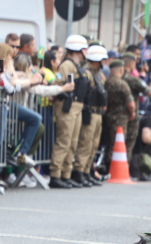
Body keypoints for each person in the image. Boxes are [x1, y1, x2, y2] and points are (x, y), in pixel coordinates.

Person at [49, 34, 88, 190]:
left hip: (76, 106)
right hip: (67, 106)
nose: (86, 51)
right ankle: (55, 175)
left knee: (72, 142)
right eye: (84, 48)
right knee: (64, 141)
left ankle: (66, 174)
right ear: (77, 49)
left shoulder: (76, 65)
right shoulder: (66, 65)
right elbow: (57, 83)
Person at [72, 44, 107, 187]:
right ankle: (79, 171)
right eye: (102, 60)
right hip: (90, 112)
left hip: (97, 113)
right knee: (85, 144)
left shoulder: (97, 74)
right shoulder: (87, 74)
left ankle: (87, 171)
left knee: (93, 145)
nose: (104, 63)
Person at [102, 59, 134, 174]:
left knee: (110, 142)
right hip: (120, 118)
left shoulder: (106, 83)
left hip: (108, 116)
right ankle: (115, 169)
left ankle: (106, 166)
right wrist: (132, 113)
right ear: (121, 70)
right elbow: (131, 103)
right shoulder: (122, 84)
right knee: (118, 143)